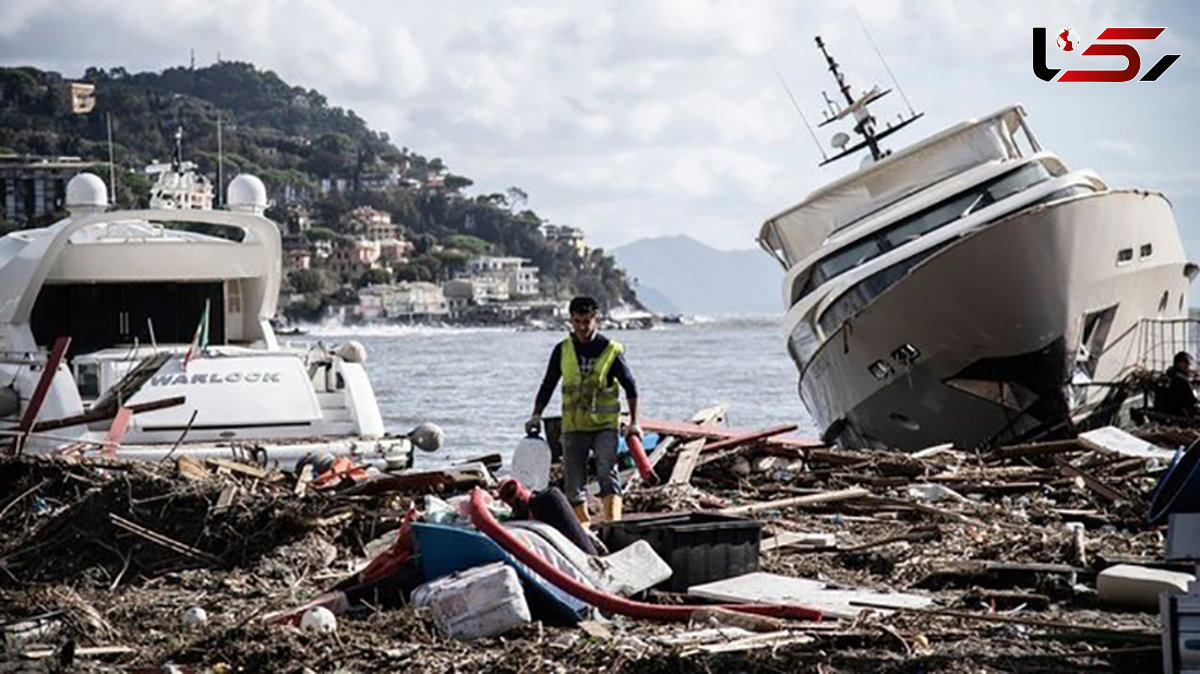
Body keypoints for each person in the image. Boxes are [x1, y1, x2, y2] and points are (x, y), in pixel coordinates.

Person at [527, 296, 640, 525]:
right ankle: (585, 529)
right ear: (570, 319)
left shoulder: (610, 350)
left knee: (606, 473)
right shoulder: (562, 350)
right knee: (573, 484)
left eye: (586, 321)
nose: (582, 327)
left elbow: (631, 387)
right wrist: (536, 415)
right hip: (574, 427)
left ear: (595, 319)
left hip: (604, 426)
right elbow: (548, 384)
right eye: (577, 321)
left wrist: (634, 422)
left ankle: (613, 524)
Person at [1156, 351, 1198, 418]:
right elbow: (1191, 403)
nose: (1188, 367)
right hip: (1177, 417)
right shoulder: (1182, 380)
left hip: (1160, 416)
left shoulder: (1163, 378)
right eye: (1186, 364)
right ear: (1179, 363)